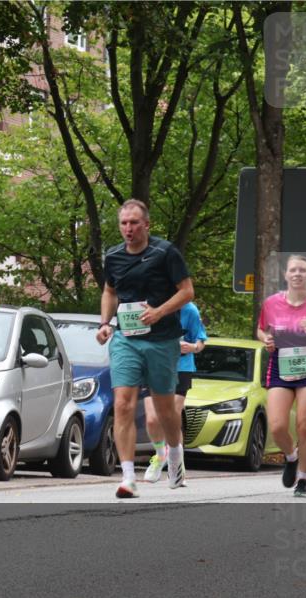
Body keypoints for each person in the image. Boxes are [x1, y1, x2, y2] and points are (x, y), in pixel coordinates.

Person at [95, 199, 194, 499]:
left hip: (162, 340)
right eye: (124, 223)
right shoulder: (113, 256)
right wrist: (105, 323)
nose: (128, 228)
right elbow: (110, 291)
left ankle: (174, 455)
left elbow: (187, 292)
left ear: (147, 225)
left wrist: (160, 312)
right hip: (126, 338)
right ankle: (128, 478)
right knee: (123, 403)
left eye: (134, 223)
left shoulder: (165, 253)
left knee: (165, 411)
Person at [256, 254, 306, 498]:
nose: (297, 274)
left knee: (304, 425)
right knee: (278, 426)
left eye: (302, 270)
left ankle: (304, 478)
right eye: (293, 270)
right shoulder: (271, 303)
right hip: (281, 366)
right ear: (285, 275)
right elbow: (261, 330)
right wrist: (266, 339)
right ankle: (291, 456)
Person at [144, 301, 208, 482]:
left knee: (172, 415)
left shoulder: (190, 310)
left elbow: (201, 340)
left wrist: (193, 347)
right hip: (155, 366)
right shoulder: (151, 305)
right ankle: (160, 455)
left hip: (182, 367)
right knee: (152, 418)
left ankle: (177, 466)